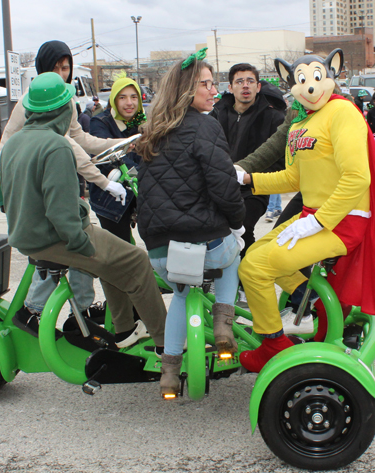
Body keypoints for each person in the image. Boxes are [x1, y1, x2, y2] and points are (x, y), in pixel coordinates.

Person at [237, 49, 375, 372]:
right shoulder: (300, 123)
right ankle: (300, 313)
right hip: (311, 216)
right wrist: (248, 178)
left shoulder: (342, 113)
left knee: (266, 265)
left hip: (342, 221)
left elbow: (357, 178)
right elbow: (293, 177)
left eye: (316, 77)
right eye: (301, 80)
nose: (310, 87)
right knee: (250, 264)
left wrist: (318, 222)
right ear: (290, 84)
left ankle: (276, 343)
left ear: (331, 75)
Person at [0, 71, 166, 350]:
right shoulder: (55, 146)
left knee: (113, 263)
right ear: (62, 110)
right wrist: (84, 247)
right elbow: (60, 211)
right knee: (137, 260)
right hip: (56, 237)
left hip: (28, 235)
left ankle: (125, 330)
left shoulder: (14, 143)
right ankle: (167, 342)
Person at [0, 40, 127, 335]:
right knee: (55, 241)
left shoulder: (63, 98)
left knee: (74, 231)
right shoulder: (37, 97)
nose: (63, 74)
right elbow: (67, 146)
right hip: (18, 175)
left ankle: (82, 306)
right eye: (56, 68)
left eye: (66, 67)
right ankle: (33, 311)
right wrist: (102, 182)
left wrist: (124, 142)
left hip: (44, 170)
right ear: (43, 69)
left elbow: (81, 140)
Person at [137, 49, 246, 397]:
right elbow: (224, 187)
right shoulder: (206, 126)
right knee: (234, 254)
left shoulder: (151, 131)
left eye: (214, 84)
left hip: (161, 252)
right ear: (187, 90)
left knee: (182, 295)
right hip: (205, 246)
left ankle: (170, 371)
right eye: (206, 85)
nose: (214, 91)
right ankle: (223, 324)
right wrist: (238, 222)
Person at [210, 63, 286, 257]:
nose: (245, 86)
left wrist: (252, 178)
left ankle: (248, 277)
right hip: (220, 187)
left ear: (258, 87)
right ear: (230, 87)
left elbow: (280, 159)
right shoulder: (216, 115)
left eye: (250, 81)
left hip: (254, 189)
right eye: (240, 81)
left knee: (243, 228)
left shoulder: (273, 117)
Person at [89, 76, 146, 243]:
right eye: (123, 97)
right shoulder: (100, 122)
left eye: (133, 97)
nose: (129, 103)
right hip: (109, 197)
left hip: (138, 192)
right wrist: (141, 174)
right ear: (114, 100)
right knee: (121, 249)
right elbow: (110, 156)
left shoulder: (142, 123)